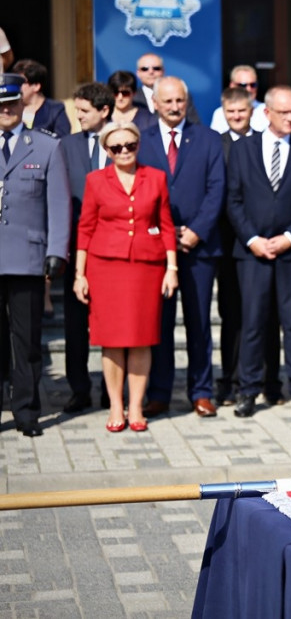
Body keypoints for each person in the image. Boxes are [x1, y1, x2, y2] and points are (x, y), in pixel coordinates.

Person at [226, 85, 291, 419]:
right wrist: (252, 238)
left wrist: (289, 237)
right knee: (252, 322)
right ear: (266, 113)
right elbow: (234, 200)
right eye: (284, 112)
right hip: (251, 252)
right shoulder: (242, 150)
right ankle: (248, 391)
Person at [73, 122, 178, 432]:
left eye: (129, 146)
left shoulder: (156, 177)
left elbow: (167, 225)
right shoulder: (95, 180)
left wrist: (172, 269)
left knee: (142, 339)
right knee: (112, 341)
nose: (123, 152)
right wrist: (80, 273)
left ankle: (136, 407)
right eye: (116, 147)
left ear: (137, 145)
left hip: (146, 268)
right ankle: (115, 405)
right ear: (107, 150)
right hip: (105, 268)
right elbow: (85, 227)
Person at [138, 77, 225, 418]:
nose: (175, 107)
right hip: (157, 248)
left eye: (180, 101)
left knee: (199, 322)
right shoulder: (140, 142)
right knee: (159, 322)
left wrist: (197, 231)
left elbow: (217, 188)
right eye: (168, 101)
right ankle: (159, 393)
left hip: (199, 248)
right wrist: (165, 234)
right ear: (155, 104)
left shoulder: (208, 139)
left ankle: (201, 391)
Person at [0, 73, 71, 437]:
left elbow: (58, 205)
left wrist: (57, 250)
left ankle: (26, 413)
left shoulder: (45, 146)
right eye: (0, 105)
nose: (6, 110)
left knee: (27, 342)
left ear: (22, 103)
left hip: (27, 259)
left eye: (11, 103)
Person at [214, 87, 282, 406]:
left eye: (242, 111)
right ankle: (230, 379)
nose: (237, 117)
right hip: (229, 245)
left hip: (261, 242)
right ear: (223, 112)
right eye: (231, 112)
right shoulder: (217, 143)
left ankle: (269, 380)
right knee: (233, 317)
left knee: (265, 316)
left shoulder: (263, 142)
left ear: (252, 111)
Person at [59, 82, 114, 414]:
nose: (77, 117)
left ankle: (112, 390)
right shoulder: (66, 146)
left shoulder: (123, 143)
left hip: (114, 250)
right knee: (75, 324)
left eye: (83, 111)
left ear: (104, 111)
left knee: (111, 322)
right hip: (77, 249)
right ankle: (79, 389)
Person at [132, 53, 201, 125]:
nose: (151, 72)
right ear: (138, 73)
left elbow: (194, 125)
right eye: (145, 69)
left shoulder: (181, 94)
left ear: (163, 71)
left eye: (156, 68)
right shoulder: (131, 98)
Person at [13, 59, 70, 138]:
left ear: (36, 86)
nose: (17, 86)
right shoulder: (11, 107)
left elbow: (63, 140)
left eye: (21, 83)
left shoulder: (55, 110)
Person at [209, 65, 269, 134]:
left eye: (253, 85)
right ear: (232, 85)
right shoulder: (219, 113)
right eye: (243, 85)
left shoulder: (267, 110)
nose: (248, 89)